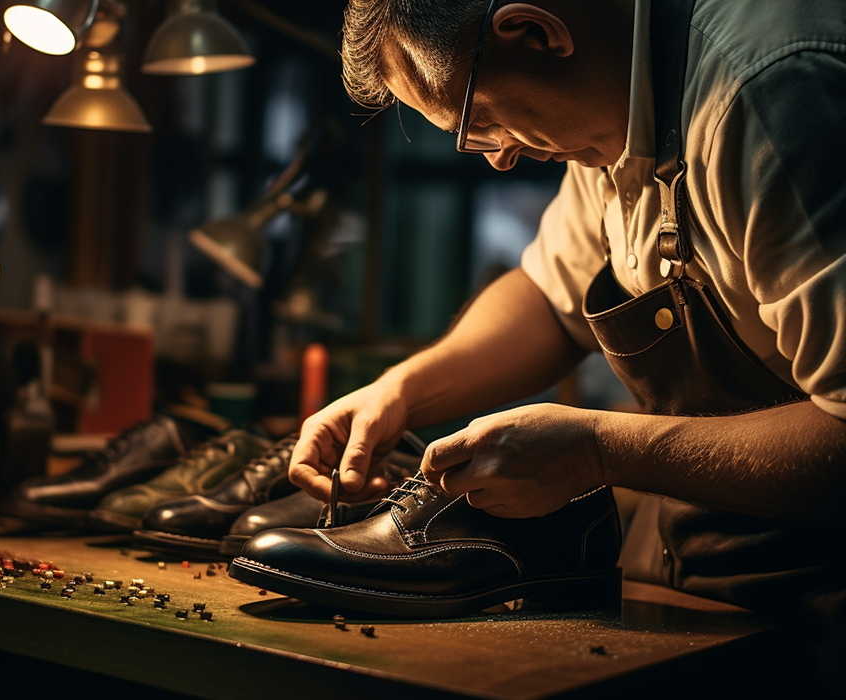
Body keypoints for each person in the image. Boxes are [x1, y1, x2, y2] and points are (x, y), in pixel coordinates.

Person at [287, 0, 846, 688]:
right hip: (692, 560)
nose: (499, 158)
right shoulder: (611, 105)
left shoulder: (772, 92)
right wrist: (402, 390)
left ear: (535, 31)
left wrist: (595, 450)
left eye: (478, 119)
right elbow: (552, 301)